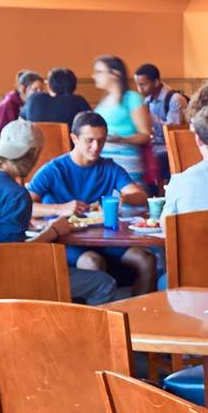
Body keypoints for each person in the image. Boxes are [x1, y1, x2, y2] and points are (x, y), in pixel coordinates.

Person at [0, 119, 117, 305]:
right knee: (104, 283)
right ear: (34, 154)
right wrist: (54, 231)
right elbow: (15, 255)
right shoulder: (15, 195)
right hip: (4, 281)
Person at [27, 111, 155, 291]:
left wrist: (124, 197)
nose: (96, 147)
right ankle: (96, 318)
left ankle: (139, 315)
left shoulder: (109, 167)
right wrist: (60, 209)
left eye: (101, 141)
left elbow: (140, 196)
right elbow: (25, 207)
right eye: (89, 140)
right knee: (93, 263)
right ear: (74, 138)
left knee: (147, 260)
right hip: (65, 240)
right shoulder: (53, 169)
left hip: (104, 239)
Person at [91, 55, 153, 185]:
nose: (94, 76)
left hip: (126, 162)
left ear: (115, 74)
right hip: (102, 161)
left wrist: (121, 139)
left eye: (99, 72)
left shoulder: (132, 98)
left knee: (128, 200)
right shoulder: (103, 101)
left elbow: (146, 136)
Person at [135, 63, 187, 182]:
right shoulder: (147, 100)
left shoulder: (175, 99)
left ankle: (156, 191)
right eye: (137, 85)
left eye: (143, 84)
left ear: (156, 82)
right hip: (155, 145)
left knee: (153, 159)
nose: (139, 89)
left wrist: (149, 116)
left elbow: (174, 134)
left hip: (170, 147)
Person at [0, 70, 44, 148]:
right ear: (23, 89)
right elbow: (3, 134)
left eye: (41, 90)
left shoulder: (32, 105)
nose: (39, 93)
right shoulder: (8, 105)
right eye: (35, 89)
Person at [22, 67, 90, 124]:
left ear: (49, 85)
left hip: (37, 140)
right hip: (68, 140)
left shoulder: (34, 99)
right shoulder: (78, 101)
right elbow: (93, 123)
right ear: (74, 85)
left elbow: (21, 122)